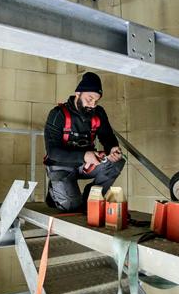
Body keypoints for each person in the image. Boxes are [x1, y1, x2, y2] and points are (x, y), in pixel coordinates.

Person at [43, 72, 125, 211]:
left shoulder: (98, 113)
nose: (92, 105)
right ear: (78, 93)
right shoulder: (58, 114)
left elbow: (108, 137)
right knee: (72, 206)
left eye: (96, 101)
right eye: (89, 99)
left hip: (85, 165)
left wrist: (112, 149)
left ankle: (92, 198)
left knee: (116, 163)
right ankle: (54, 193)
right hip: (61, 166)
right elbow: (53, 152)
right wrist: (84, 155)